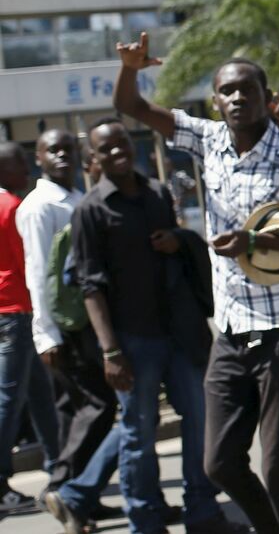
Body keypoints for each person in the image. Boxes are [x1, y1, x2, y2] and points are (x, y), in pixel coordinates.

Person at [112, 34, 279, 534]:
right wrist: (131, 67)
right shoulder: (206, 138)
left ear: (266, 96)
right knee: (218, 463)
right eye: (227, 91)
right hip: (230, 332)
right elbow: (129, 105)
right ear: (215, 100)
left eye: (247, 89)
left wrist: (256, 242)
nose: (237, 98)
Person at [59, 118, 243, 534]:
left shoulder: (157, 192)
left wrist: (179, 240)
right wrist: (110, 351)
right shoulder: (90, 210)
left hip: (179, 334)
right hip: (132, 341)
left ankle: (202, 511)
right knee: (138, 435)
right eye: (107, 148)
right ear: (94, 158)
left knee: (199, 422)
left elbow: (183, 252)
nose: (118, 152)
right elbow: (90, 286)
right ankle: (144, 520)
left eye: (122, 143)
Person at [15, 130, 124, 521]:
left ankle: (81, 498)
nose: (61, 155)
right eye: (52, 150)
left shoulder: (76, 198)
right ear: (38, 158)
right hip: (67, 328)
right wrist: (46, 335)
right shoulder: (40, 207)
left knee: (75, 410)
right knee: (99, 405)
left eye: (67, 149)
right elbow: (38, 273)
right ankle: (63, 486)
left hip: (87, 323)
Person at [0, 141, 60, 514]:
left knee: (40, 396)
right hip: (19, 313)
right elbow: (29, 266)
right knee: (9, 399)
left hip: (11, 313)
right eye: (20, 163)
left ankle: (61, 468)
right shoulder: (12, 207)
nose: (27, 169)